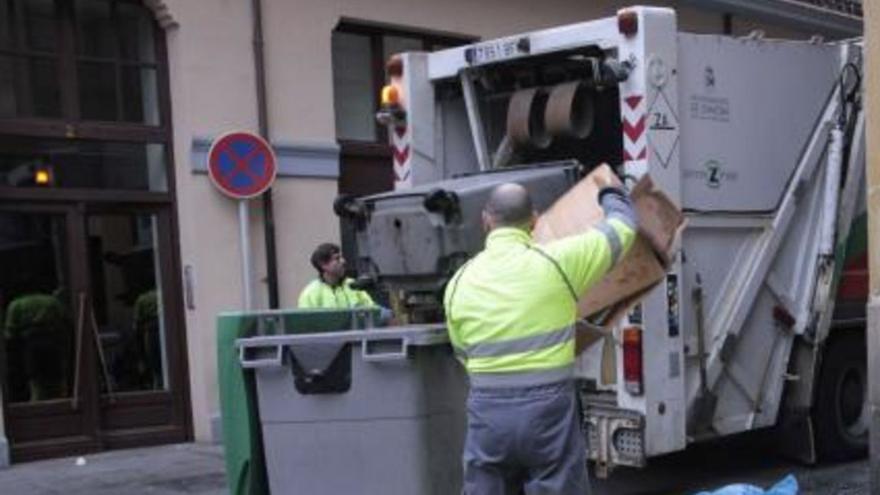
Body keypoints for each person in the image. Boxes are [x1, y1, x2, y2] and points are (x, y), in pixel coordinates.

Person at [444, 181, 637, 494]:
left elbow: (462, 352)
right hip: (548, 410)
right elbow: (623, 229)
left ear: (485, 221)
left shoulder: (458, 283)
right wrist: (610, 194)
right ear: (534, 221)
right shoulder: (559, 263)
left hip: (488, 412)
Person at [298, 243, 377, 309]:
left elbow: (373, 311)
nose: (343, 261)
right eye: (337, 258)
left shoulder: (354, 285)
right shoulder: (310, 293)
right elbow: (305, 324)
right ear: (323, 265)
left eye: (341, 257)